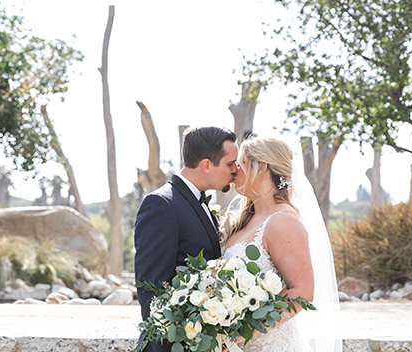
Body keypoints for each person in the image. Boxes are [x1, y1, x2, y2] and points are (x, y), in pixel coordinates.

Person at [221, 136, 341, 352]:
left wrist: (245, 330)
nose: (234, 170)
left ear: (262, 167)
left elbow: (302, 291)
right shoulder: (245, 219)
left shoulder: (283, 221)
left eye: (241, 163)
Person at [134, 126, 239, 352]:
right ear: (207, 165)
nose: (235, 170)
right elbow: (152, 292)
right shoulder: (161, 205)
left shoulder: (199, 202)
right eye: (230, 163)